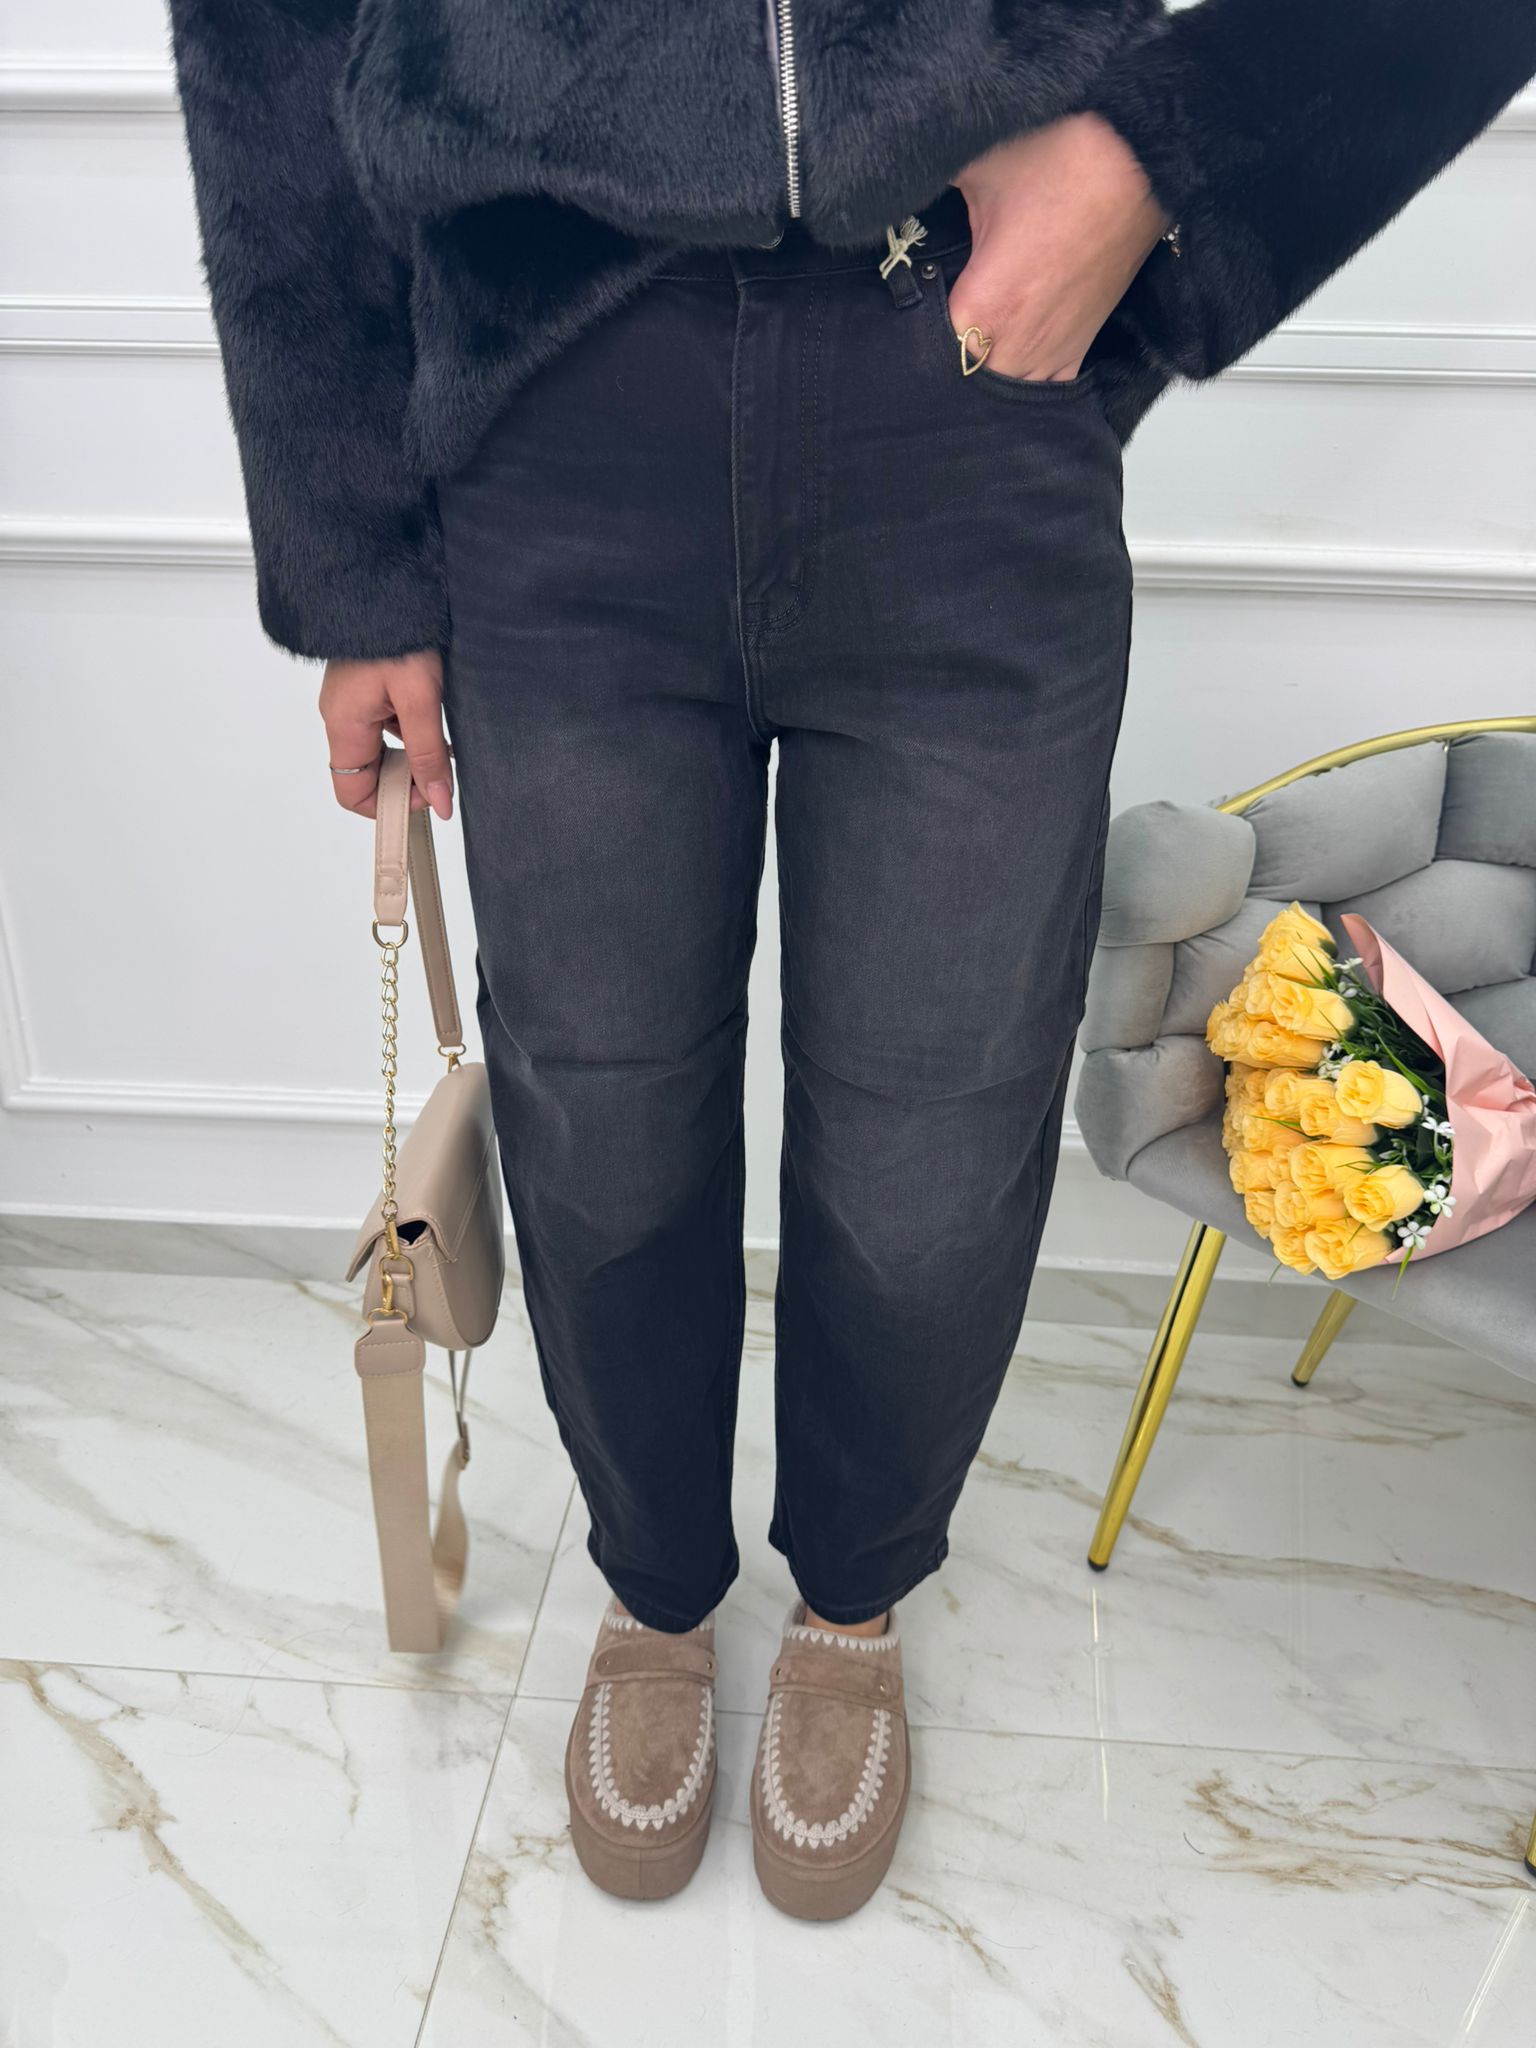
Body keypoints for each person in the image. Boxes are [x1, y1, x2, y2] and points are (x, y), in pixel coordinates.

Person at [168, 0, 1536, 1918]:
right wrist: (353, 561)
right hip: (557, 420)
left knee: (936, 1125)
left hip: (964, 408)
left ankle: (855, 1600)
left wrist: (1157, 158)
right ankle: (655, 1591)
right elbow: (264, 35)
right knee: (603, 1106)